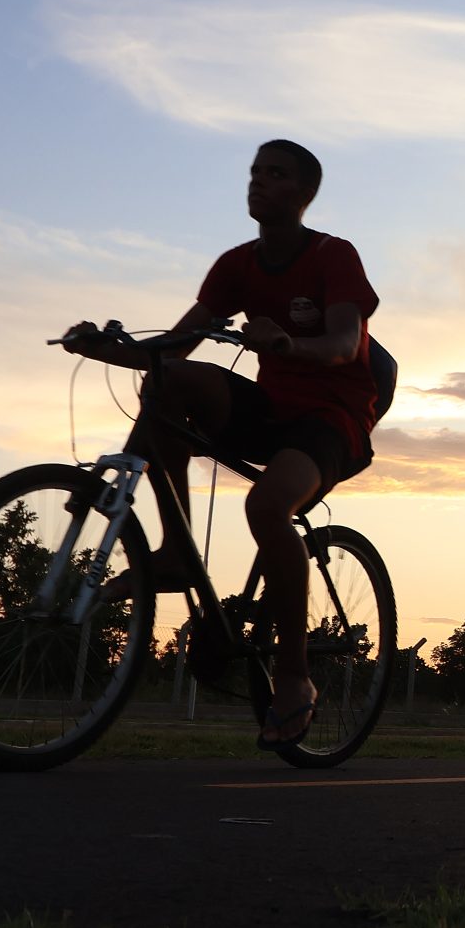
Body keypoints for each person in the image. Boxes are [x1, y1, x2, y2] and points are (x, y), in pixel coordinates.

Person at [60, 139, 381, 751]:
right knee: (168, 380)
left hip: (333, 420)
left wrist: (285, 343)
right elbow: (170, 348)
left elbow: (344, 344)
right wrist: (104, 349)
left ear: (305, 193)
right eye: (254, 172)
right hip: (272, 411)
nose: (258, 182)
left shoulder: (333, 255)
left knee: (266, 507)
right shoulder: (236, 265)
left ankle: (296, 677)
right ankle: (176, 553)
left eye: (275, 174)